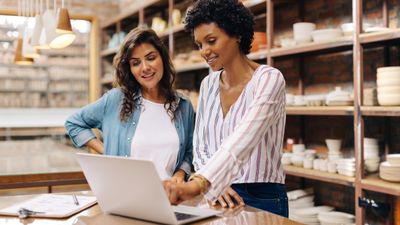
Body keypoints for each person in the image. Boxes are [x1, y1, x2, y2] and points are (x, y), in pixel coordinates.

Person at [163, 0, 288, 217]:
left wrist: (201, 183)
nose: (204, 51)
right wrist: (214, 185)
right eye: (200, 44)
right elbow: (200, 145)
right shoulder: (208, 84)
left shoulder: (269, 79)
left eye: (211, 41)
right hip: (215, 195)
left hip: (262, 196)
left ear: (237, 34)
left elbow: (244, 138)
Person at [65, 27, 194, 183]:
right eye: (136, 63)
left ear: (163, 58)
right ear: (130, 69)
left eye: (151, 57)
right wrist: (107, 152)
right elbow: (74, 123)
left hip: (171, 199)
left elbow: (189, 150)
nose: (145, 67)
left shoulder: (183, 105)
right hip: (125, 197)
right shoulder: (116, 100)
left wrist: (180, 174)